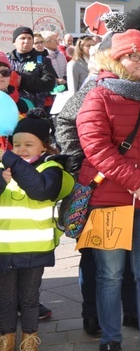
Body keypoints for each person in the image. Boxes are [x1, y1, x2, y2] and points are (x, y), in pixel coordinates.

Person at [76, 30, 140, 351]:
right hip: (108, 201)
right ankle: (111, 340)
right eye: (133, 55)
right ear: (116, 58)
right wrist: (137, 180)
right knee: (109, 276)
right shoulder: (98, 96)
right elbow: (94, 146)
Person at [55, 32, 140, 339]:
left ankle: (132, 310)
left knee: (131, 254)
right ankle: (91, 314)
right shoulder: (94, 88)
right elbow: (64, 122)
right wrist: (80, 165)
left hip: (133, 188)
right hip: (99, 187)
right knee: (94, 255)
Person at [0, 110, 74, 351]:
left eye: (28, 144)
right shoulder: (4, 169)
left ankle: (29, 339)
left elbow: (40, 189)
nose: (21, 150)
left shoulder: (51, 168)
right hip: (4, 248)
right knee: (6, 300)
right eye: (16, 144)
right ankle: (7, 338)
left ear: (43, 147)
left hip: (34, 247)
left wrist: (12, 162)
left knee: (30, 299)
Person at [6, 27, 57, 111]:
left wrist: (23, 82)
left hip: (33, 109)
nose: (26, 41)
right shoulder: (6, 60)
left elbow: (49, 83)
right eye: (22, 38)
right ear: (14, 42)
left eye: (29, 38)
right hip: (9, 107)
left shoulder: (42, 60)